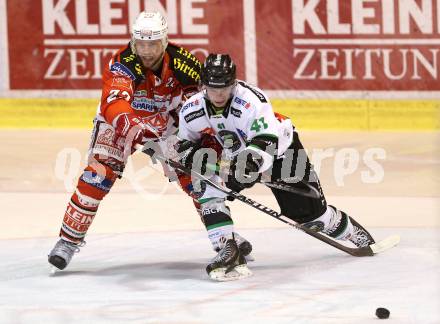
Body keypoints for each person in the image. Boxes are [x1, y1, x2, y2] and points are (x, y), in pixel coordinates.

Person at [48, 12, 252, 270]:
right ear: (133, 42)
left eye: (152, 44)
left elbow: (198, 105)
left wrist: (201, 140)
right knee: (97, 175)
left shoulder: (184, 63)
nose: (146, 50)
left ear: (164, 41)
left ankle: (224, 239)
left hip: (165, 125)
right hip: (123, 123)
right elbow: (114, 103)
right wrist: (131, 127)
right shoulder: (123, 62)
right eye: (140, 43)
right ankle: (67, 241)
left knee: (200, 177)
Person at [176, 53, 376, 281]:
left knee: (310, 218)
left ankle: (352, 232)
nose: (219, 94)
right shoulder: (191, 109)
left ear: (234, 83)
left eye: (225, 87)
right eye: (213, 88)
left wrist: (247, 167)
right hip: (237, 156)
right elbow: (185, 143)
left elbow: (266, 141)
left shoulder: (251, 100)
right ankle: (226, 248)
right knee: (207, 185)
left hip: (282, 151)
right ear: (203, 86)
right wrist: (191, 156)